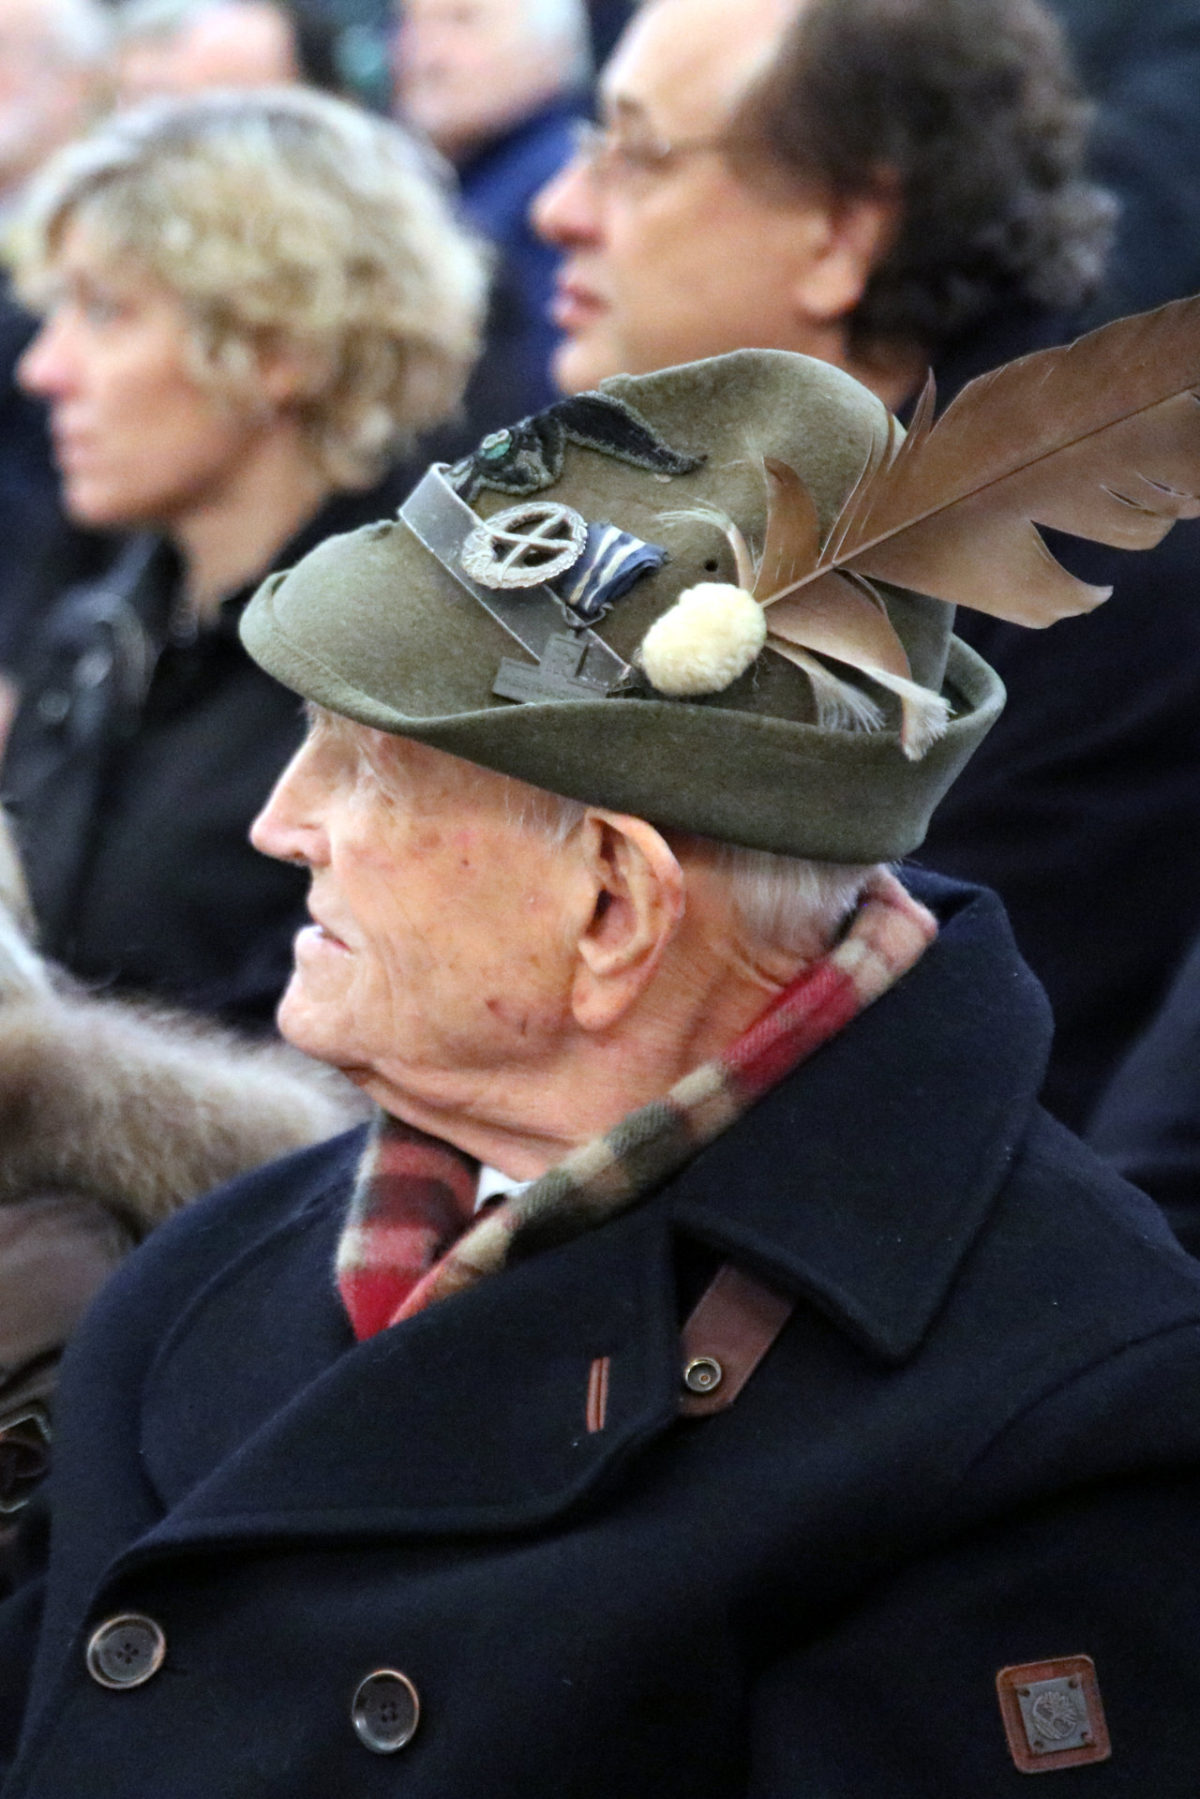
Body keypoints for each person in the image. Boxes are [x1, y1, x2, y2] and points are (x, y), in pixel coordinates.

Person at [5, 325, 1200, 1792]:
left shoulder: (1053, 1424)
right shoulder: (195, 1283)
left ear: (612, 905)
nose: (282, 821)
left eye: (363, 759)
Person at [532, 0, 1200, 1132]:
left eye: (637, 156)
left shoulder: (1090, 577)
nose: (559, 208)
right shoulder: (684, 486)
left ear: (843, 231)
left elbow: (922, 1084)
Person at [0, 87, 485, 1027]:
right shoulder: (93, 636)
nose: (44, 369)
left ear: (278, 346)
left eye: (105, 312)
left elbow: (349, 1072)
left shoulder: (414, 681)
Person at [393, 0, 591, 421]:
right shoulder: (454, 179)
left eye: (462, 20)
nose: (425, 54)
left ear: (552, 47)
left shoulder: (558, 187)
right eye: (410, 24)